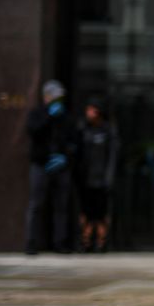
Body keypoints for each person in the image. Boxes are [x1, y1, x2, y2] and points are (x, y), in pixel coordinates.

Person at [24, 80, 76, 255]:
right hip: (41, 164)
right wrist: (48, 116)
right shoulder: (37, 114)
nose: (58, 101)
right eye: (54, 97)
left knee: (61, 206)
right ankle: (31, 243)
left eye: (60, 97)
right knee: (36, 204)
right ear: (46, 97)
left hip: (60, 166)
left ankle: (60, 243)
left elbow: (73, 141)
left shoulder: (66, 117)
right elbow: (33, 131)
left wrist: (65, 157)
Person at [76, 98, 120, 253]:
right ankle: (85, 241)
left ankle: (101, 242)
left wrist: (109, 178)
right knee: (87, 212)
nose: (89, 113)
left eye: (92, 109)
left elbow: (112, 157)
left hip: (102, 179)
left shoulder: (108, 131)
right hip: (86, 179)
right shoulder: (84, 130)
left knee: (100, 213)